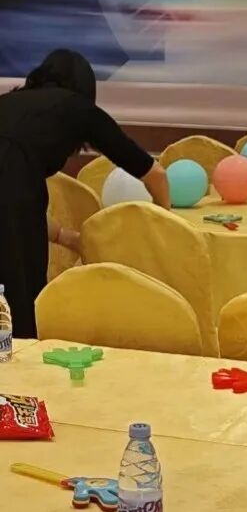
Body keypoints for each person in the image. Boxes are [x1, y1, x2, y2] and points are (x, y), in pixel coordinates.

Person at [0, 49, 170, 338]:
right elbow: (155, 174)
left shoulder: (10, 104)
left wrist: (67, 238)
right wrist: (167, 222)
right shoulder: (77, 108)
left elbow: (23, 207)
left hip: (13, 195)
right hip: (12, 196)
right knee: (19, 298)